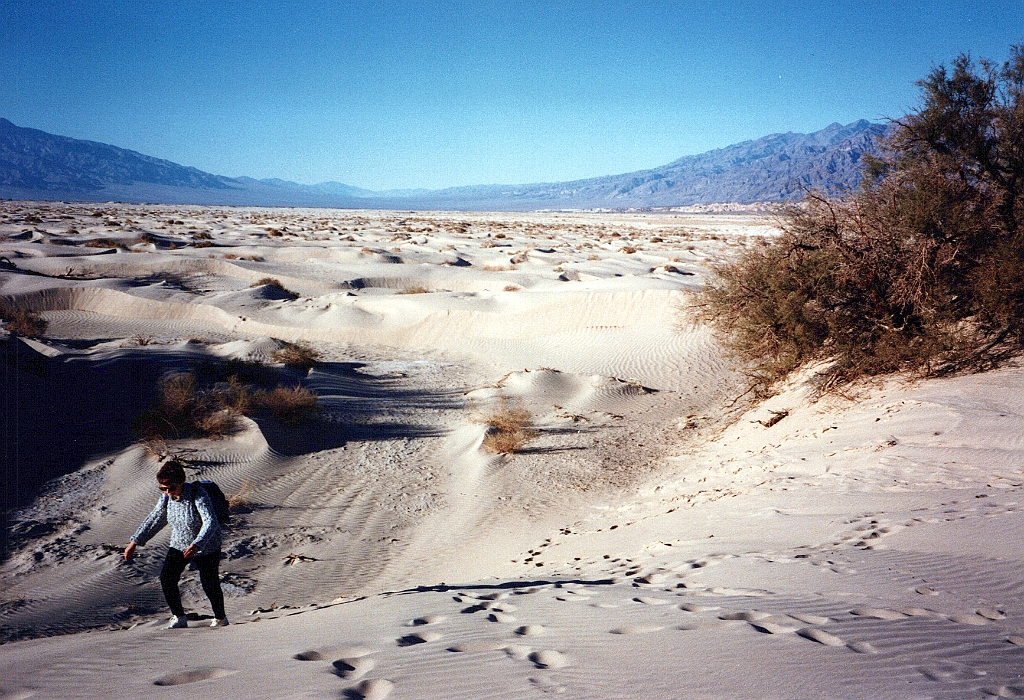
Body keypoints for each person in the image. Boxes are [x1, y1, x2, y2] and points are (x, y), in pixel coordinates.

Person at [124, 460, 228, 628]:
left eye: (171, 487)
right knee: (167, 578)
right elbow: (155, 519)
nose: (167, 492)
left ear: (181, 481)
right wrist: (134, 542)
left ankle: (220, 618)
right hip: (179, 543)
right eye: (163, 488)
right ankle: (179, 617)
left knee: (209, 582)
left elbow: (210, 522)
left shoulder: (198, 494)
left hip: (207, 546)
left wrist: (197, 544)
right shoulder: (166, 498)